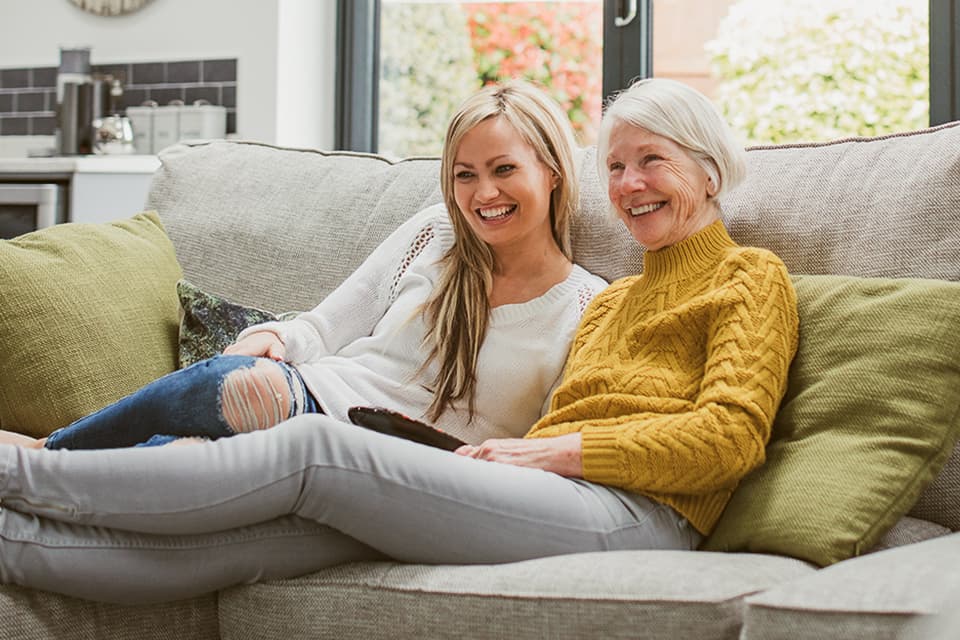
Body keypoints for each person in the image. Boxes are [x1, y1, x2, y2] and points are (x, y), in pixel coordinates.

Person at [0, 78, 799, 605]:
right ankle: (13, 542)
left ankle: (25, 473)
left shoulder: (749, 277)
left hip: (641, 513)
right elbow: (550, 421)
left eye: (651, 161)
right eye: (616, 166)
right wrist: (521, 457)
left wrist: (548, 454)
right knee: (260, 545)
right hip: (550, 490)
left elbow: (729, 438)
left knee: (314, 449)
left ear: (709, 172)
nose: (629, 185)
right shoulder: (616, 299)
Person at [0, 79, 607, 452]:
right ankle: (48, 454)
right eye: (465, 175)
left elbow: (552, 435)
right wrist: (272, 338)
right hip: (317, 399)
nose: (483, 194)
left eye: (504, 170)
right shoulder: (435, 233)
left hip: (398, 461)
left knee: (195, 456)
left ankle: (44, 460)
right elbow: (323, 327)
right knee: (235, 398)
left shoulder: (587, 306)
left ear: (553, 171)